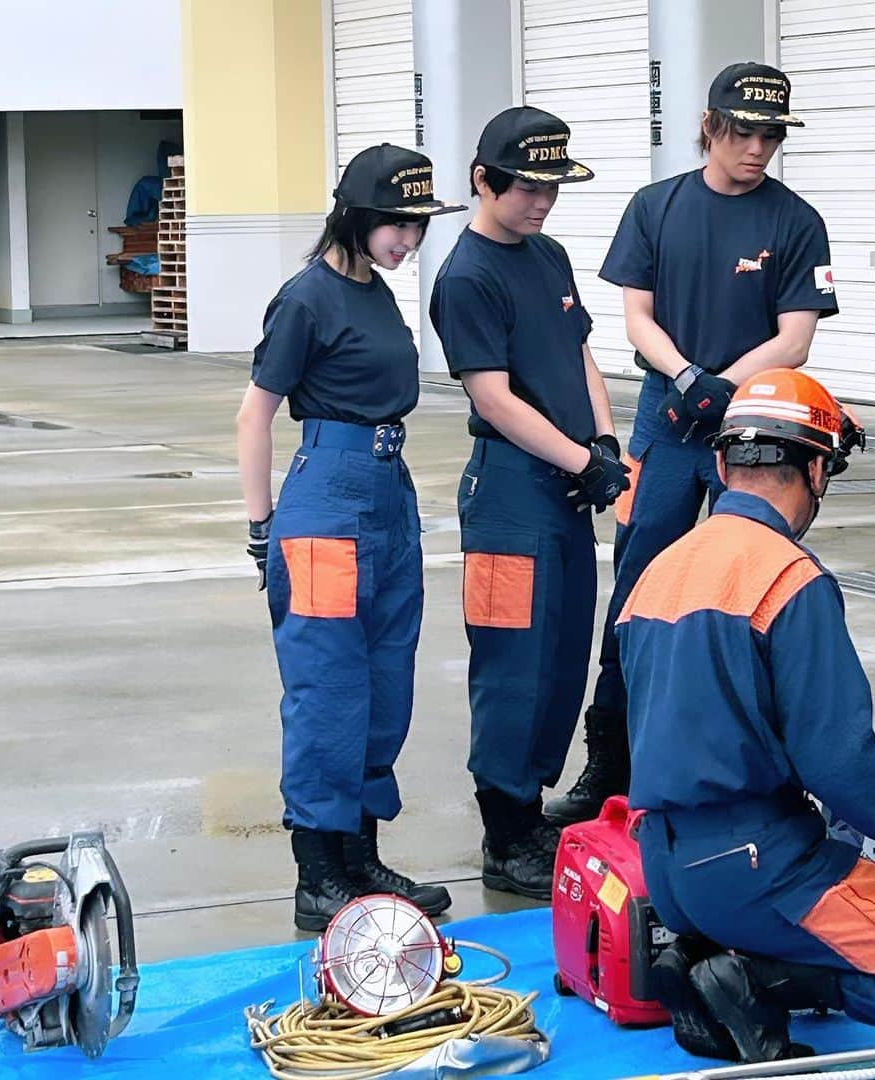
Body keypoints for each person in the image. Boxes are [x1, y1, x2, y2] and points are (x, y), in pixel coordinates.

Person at [618, 368, 875, 1061]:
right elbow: (842, 767)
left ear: (721, 463)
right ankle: (758, 978)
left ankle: (714, 959)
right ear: (815, 468)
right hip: (760, 868)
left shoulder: (659, 571)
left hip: (667, 868)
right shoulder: (789, 579)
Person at [545, 62, 839, 827]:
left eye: (770, 135)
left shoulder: (795, 220)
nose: (757, 148)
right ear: (710, 127)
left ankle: (753, 759)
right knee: (641, 581)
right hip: (666, 421)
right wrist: (685, 378)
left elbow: (796, 337)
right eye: (743, 132)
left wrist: (724, 387)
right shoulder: (657, 207)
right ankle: (612, 755)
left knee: (753, 580)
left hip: (760, 423)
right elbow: (635, 314)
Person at [236, 144, 466, 931]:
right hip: (326, 505)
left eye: (418, 227)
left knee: (383, 683)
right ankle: (318, 876)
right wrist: (262, 527)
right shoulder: (305, 298)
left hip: (389, 495)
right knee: (328, 690)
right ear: (357, 216)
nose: (410, 240)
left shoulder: (377, 294)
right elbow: (255, 415)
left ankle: (361, 856)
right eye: (398, 224)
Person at [429, 106, 629, 899]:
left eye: (551, 186)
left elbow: (579, 351)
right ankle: (504, 832)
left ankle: (531, 804)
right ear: (484, 180)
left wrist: (606, 441)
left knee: (558, 659)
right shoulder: (466, 275)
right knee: (512, 665)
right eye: (525, 187)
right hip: (510, 493)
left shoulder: (548, 257)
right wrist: (583, 457)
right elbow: (495, 396)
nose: (540, 201)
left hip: (565, 487)